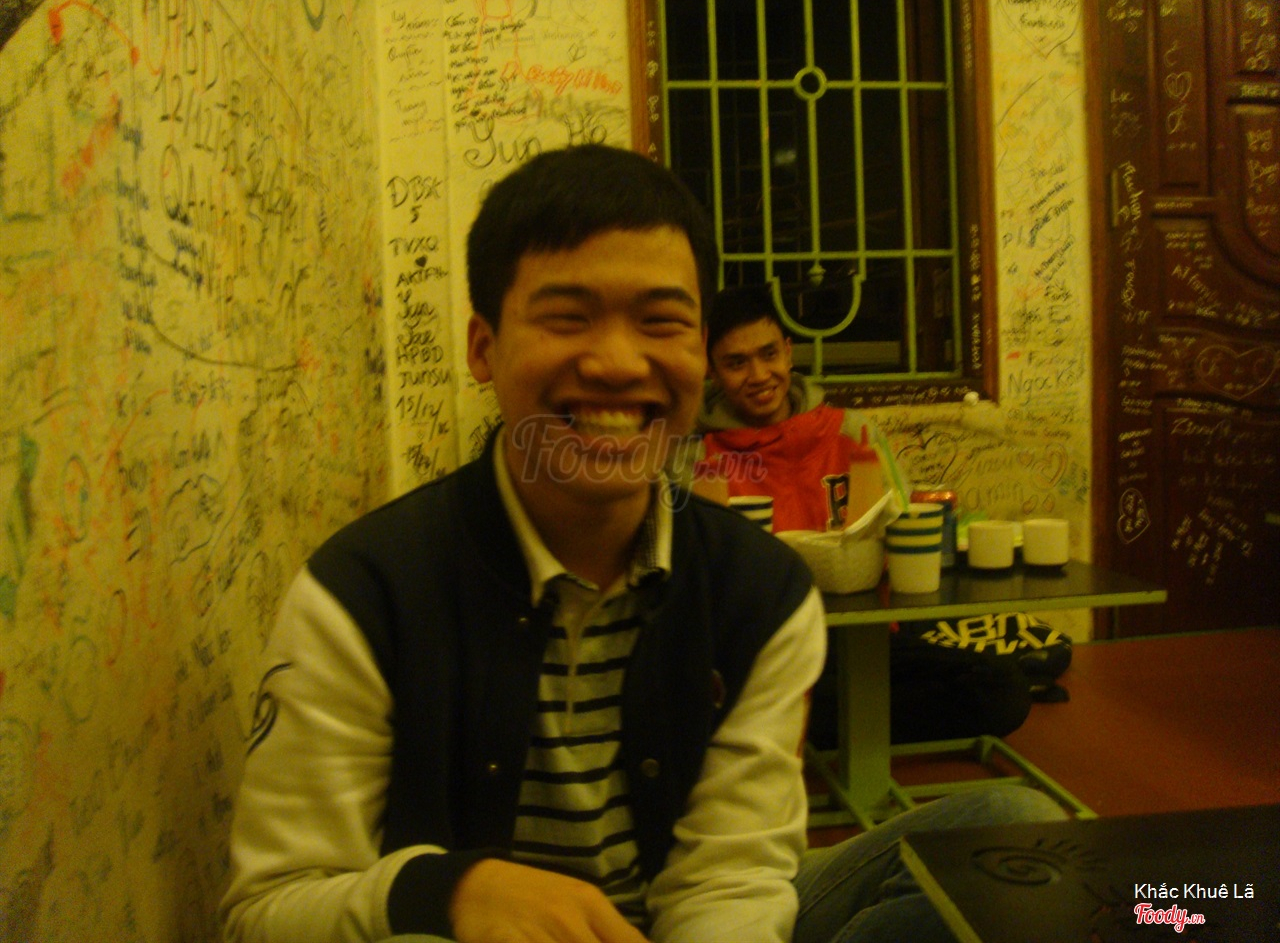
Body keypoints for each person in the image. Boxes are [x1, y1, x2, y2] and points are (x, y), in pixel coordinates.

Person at [220, 144, 1063, 943]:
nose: (620, 364)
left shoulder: (762, 593)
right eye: (567, 318)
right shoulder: (363, 594)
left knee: (1016, 832)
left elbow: (727, 881)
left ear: (699, 354)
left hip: (676, 924)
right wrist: (450, 890)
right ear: (484, 348)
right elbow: (268, 912)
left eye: (662, 322)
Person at [685, 284, 1033, 747]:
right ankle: (827, 720)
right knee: (698, 700)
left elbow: (904, 528)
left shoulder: (852, 432)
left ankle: (804, 724)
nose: (760, 375)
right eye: (736, 363)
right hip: (760, 655)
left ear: (788, 351)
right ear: (712, 371)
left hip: (861, 643)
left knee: (1002, 688)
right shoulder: (697, 458)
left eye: (769, 354)